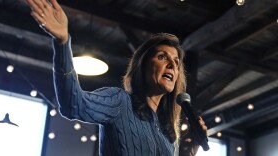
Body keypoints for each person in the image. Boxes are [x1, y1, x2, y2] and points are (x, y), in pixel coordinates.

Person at [25, 0, 208, 155]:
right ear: (142, 65)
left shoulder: (167, 133)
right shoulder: (120, 101)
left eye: (176, 62)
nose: (172, 65)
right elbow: (73, 105)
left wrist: (187, 151)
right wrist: (63, 42)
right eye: (162, 57)